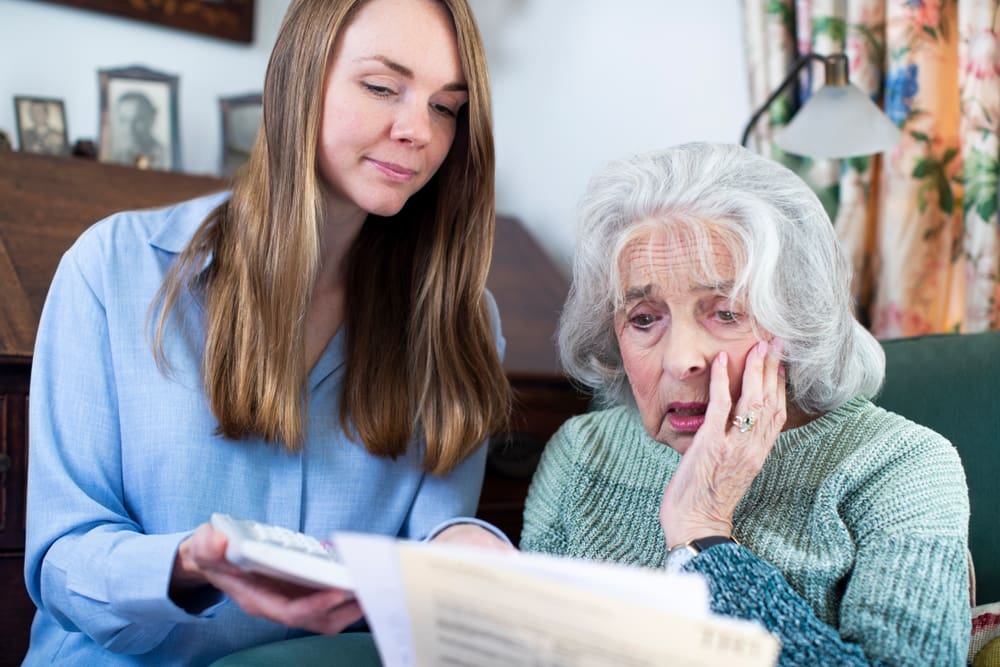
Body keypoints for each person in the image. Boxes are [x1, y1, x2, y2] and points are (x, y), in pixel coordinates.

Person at [23, 0, 512, 664]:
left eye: (446, 107)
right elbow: (62, 559)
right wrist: (189, 564)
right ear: (296, 80)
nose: (418, 131)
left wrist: (462, 545)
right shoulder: (111, 268)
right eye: (380, 87)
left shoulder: (461, 318)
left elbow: (432, 533)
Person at [522, 142, 971, 665]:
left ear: (798, 320)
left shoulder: (902, 467)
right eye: (644, 318)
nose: (681, 360)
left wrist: (702, 537)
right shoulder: (581, 454)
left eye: (725, 312)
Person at [111, 90, 167, 169]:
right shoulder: (113, 156)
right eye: (123, 120)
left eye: (138, 120)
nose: (130, 128)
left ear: (152, 118)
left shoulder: (166, 156)